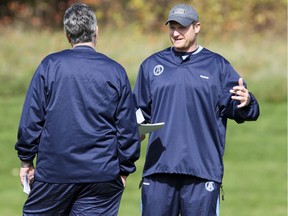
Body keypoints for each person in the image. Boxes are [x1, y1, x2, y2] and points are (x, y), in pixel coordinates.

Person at [133, 4, 260, 216]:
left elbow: (241, 108)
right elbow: (137, 113)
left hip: (202, 171)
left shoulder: (217, 66)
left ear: (197, 27)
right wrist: (135, 131)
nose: (175, 33)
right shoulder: (151, 65)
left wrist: (247, 102)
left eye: (181, 27)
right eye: (172, 27)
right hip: (159, 171)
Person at [15, 3, 140, 215]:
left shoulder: (50, 66)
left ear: (67, 34)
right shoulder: (115, 71)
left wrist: (26, 160)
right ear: (96, 32)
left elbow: (32, 120)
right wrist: (124, 169)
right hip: (101, 175)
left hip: (55, 174)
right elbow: (127, 129)